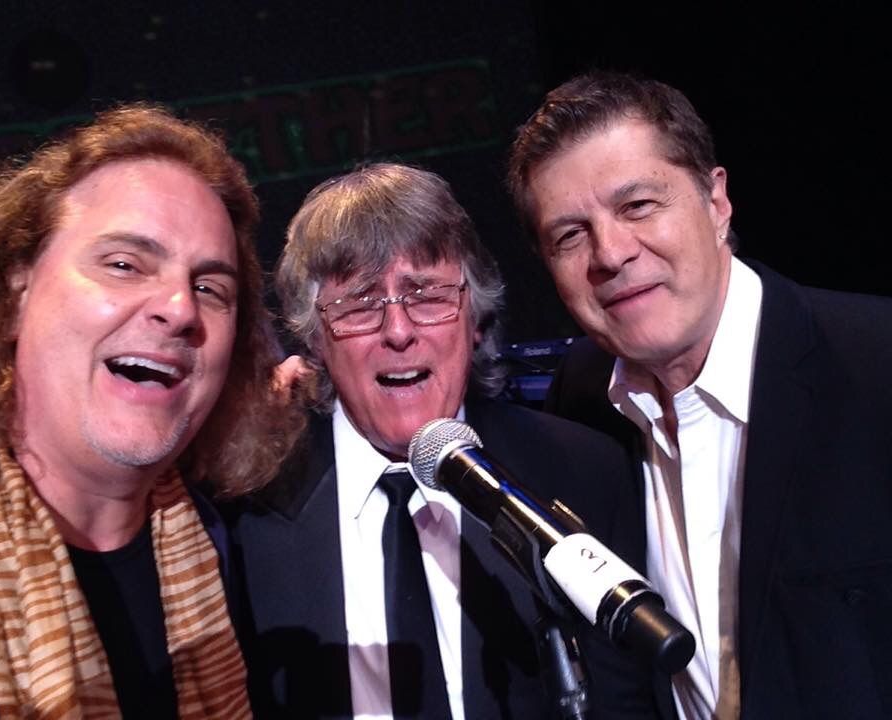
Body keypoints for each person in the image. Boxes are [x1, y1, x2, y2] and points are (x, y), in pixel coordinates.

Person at [507, 70, 892, 719]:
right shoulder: (582, 400)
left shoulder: (876, 366)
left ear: (716, 202)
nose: (610, 253)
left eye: (638, 206)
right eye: (570, 235)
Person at [229, 162, 662, 719]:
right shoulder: (246, 501)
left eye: (428, 295)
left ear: (474, 319)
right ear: (314, 336)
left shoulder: (581, 473)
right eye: (359, 303)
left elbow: (623, 703)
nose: (399, 331)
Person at [0, 104, 301, 718]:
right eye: (125, 265)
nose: (180, 309)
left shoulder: (221, 546)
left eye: (210, 288)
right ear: (17, 294)